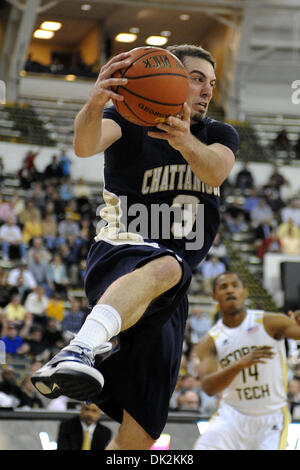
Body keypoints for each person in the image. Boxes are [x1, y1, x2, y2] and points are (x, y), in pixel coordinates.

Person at [31, 44, 239, 450]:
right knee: (168, 265)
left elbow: (215, 168)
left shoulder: (217, 133)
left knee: (141, 434)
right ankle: (78, 349)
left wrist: (184, 142)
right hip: (121, 249)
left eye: (211, 84)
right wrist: (94, 103)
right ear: (171, 80)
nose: (206, 91)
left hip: (168, 291)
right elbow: (85, 145)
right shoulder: (126, 119)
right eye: (196, 79)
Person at [194, 272, 300, 450]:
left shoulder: (270, 322)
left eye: (235, 286)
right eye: (223, 287)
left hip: (270, 417)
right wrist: (240, 364)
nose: (230, 290)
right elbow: (208, 387)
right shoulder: (209, 341)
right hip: (231, 415)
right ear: (214, 296)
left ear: (245, 292)